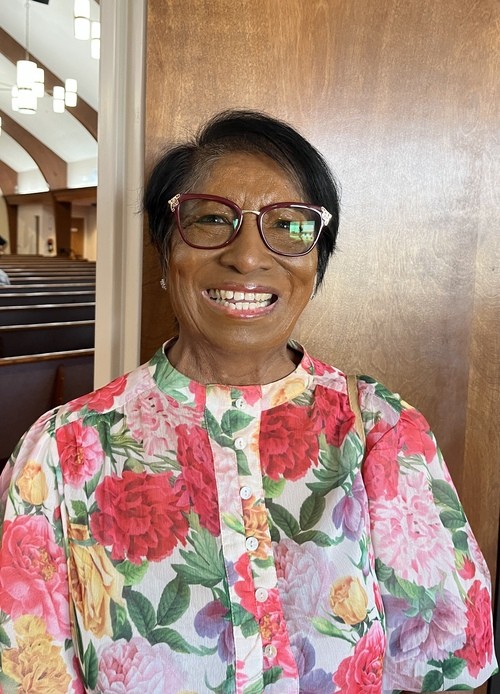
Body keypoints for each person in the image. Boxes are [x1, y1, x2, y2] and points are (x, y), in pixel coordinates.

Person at [0, 111, 496, 693]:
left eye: (288, 225)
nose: (248, 257)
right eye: (212, 219)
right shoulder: (62, 450)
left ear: (316, 261)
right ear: (164, 250)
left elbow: (445, 669)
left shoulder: (382, 433)